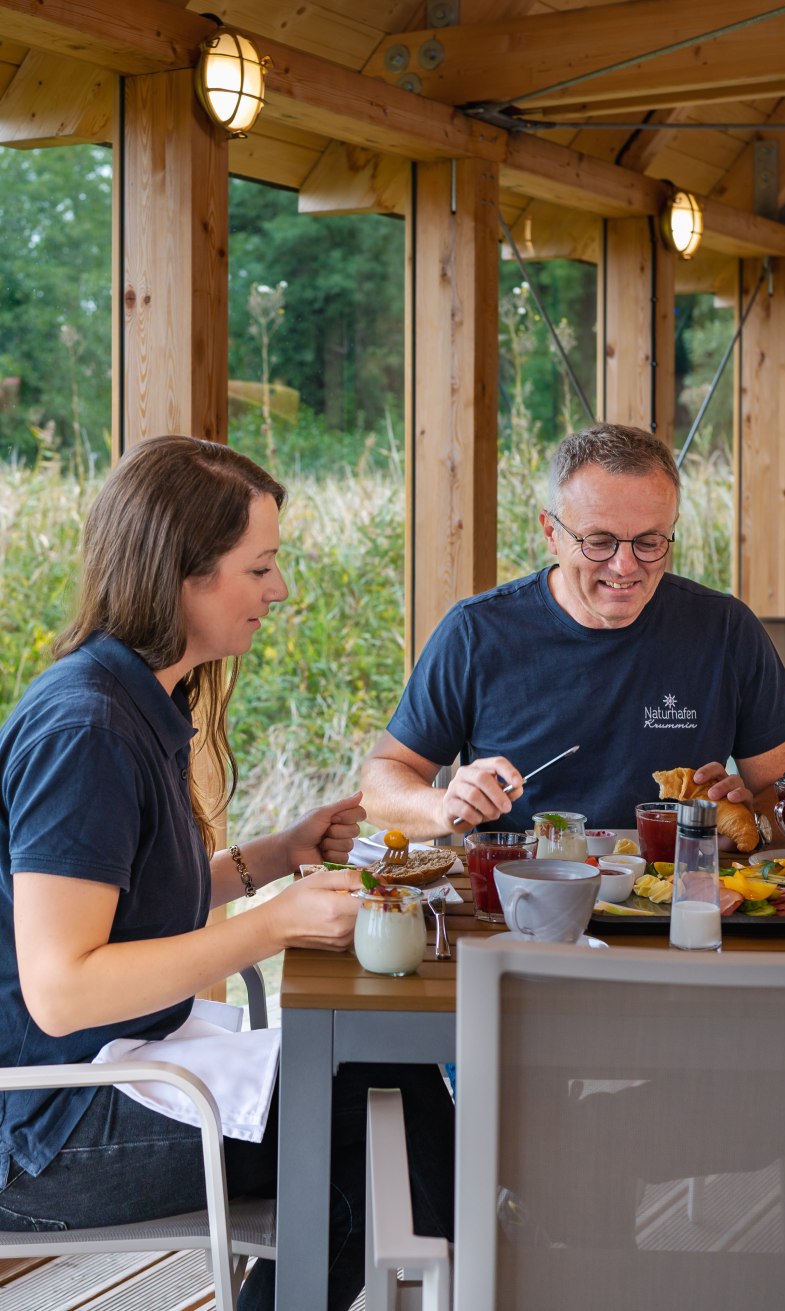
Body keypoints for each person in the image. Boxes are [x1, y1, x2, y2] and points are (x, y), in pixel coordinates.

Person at [0, 436, 454, 1311]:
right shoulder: (85, 731)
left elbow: (124, 905)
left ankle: (497, 1264)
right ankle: (516, 1263)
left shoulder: (136, 698)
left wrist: (276, 854)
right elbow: (60, 988)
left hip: (120, 1068)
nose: (279, 590)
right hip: (47, 1128)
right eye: (261, 567)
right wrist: (274, 924)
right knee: (370, 1114)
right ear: (184, 574)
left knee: (380, 1084)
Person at [361, 422, 785, 841]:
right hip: (521, 899)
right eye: (599, 541)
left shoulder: (725, 628)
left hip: (677, 903)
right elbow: (381, 782)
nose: (625, 565)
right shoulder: (477, 631)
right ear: (550, 533)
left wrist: (750, 819)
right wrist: (444, 805)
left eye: (650, 542)